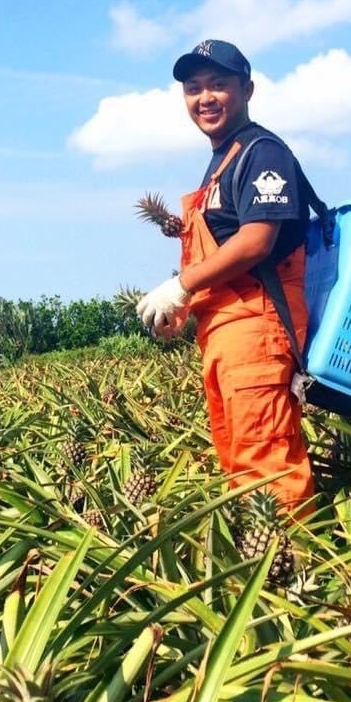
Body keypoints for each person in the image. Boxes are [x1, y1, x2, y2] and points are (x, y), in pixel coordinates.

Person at [136, 39, 313, 514]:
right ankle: (267, 569)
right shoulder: (222, 161)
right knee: (239, 463)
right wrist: (186, 306)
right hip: (224, 336)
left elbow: (256, 241)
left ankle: (298, 575)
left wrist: (181, 285)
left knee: (267, 466)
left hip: (257, 328)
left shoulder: (262, 152)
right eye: (194, 88)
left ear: (247, 89)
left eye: (219, 84)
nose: (205, 97)